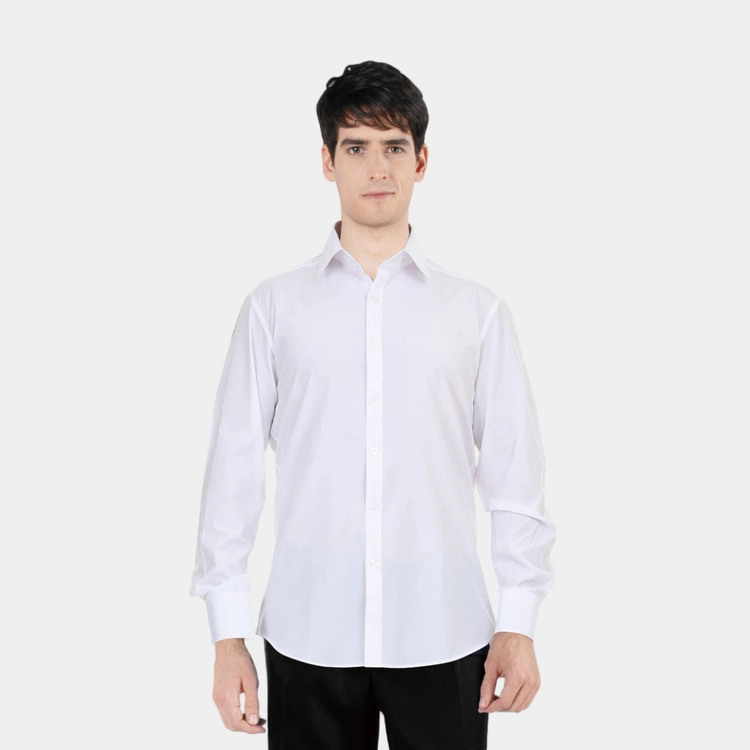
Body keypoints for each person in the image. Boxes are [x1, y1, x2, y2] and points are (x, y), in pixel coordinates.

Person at [189, 60, 556, 749]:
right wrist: (226, 635)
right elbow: (232, 477)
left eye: (394, 146)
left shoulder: (476, 313)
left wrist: (519, 620)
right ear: (328, 161)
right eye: (356, 147)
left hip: (445, 631)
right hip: (308, 633)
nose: (377, 167)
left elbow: (515, 478)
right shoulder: (273, 309)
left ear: (422, 160)